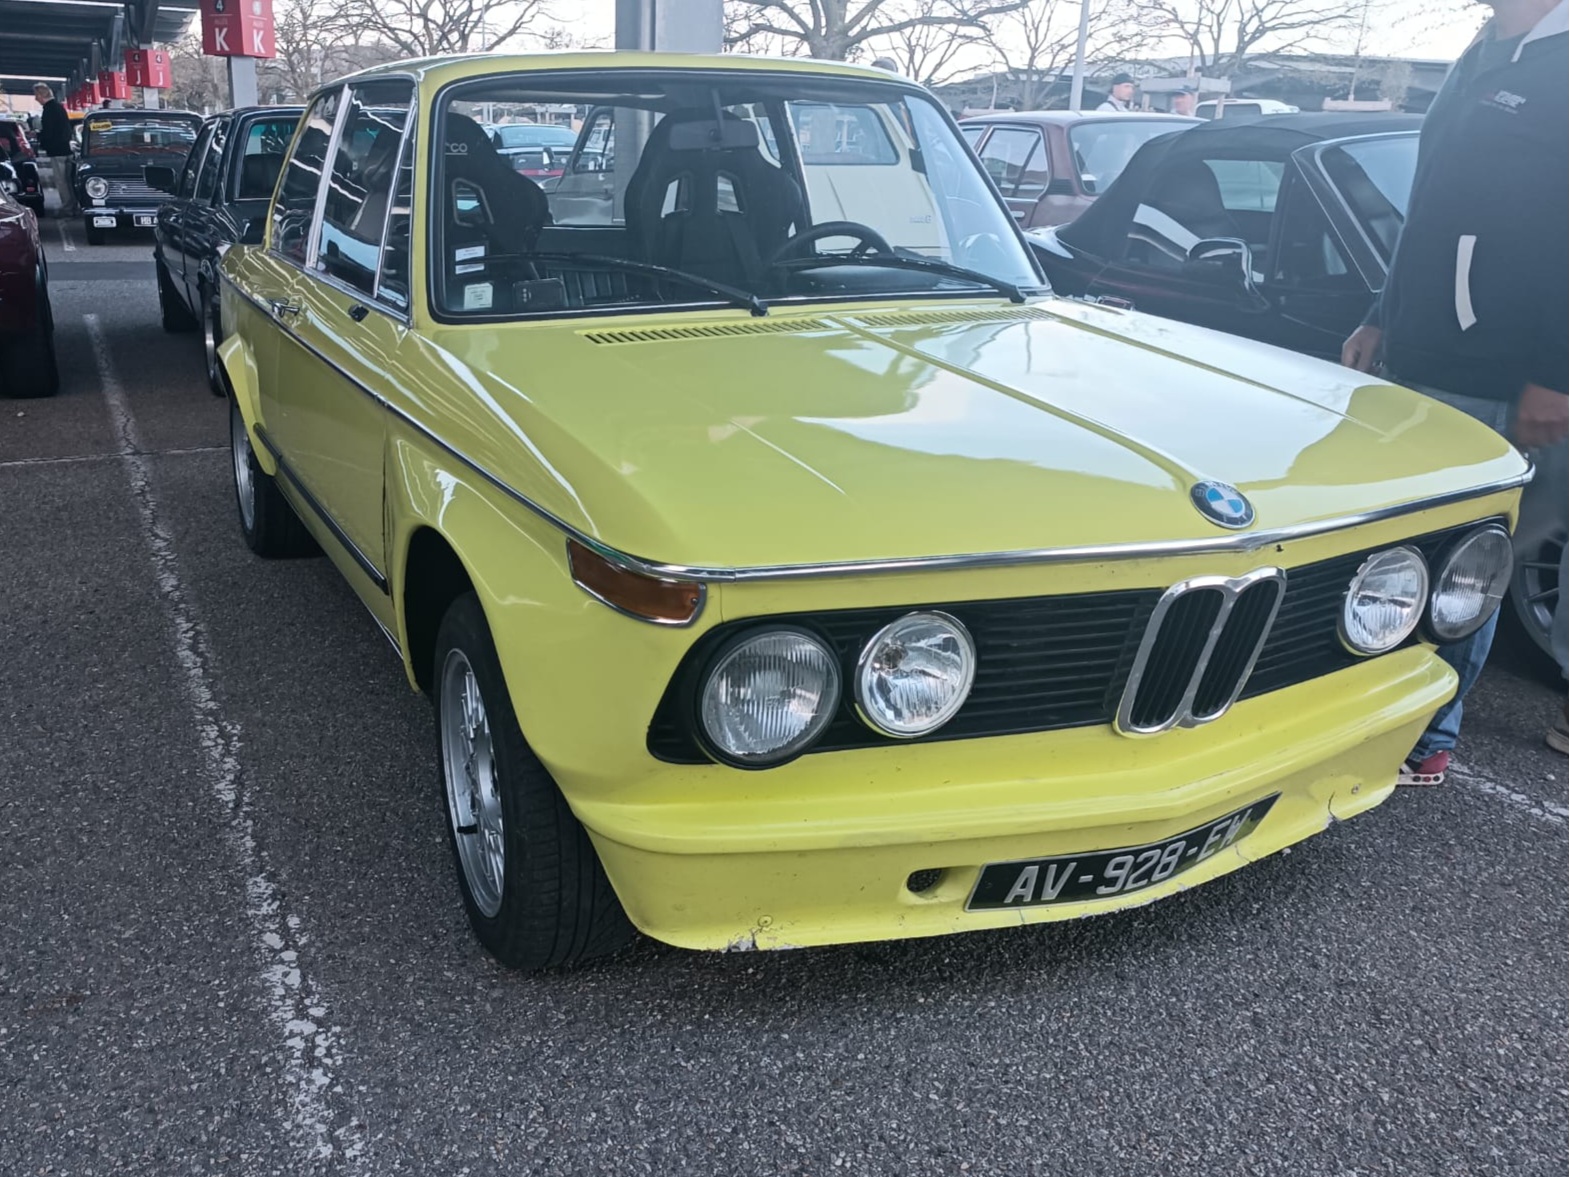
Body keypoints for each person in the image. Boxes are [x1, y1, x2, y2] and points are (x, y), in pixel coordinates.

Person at [1342, 0, 1569, 780]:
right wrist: (1380, 314)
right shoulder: (1480, 53)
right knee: (1421, 552)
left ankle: (1426, 741)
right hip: (1422, 352)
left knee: (1470, 557)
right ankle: (1398, 720)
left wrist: (1555, 372)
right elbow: (1431, 208)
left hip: (1502, 370)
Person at [32, 83, 75, 217]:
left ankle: (68, 209)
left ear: (41, 95)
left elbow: (49, 132)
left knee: (61, 182)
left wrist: (38, 136)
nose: (35, 99)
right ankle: (74, 207)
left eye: (36, 95)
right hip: (66, 149)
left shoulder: (49, 110)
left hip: (57, 151)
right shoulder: (59, 107)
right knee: (69, 181)